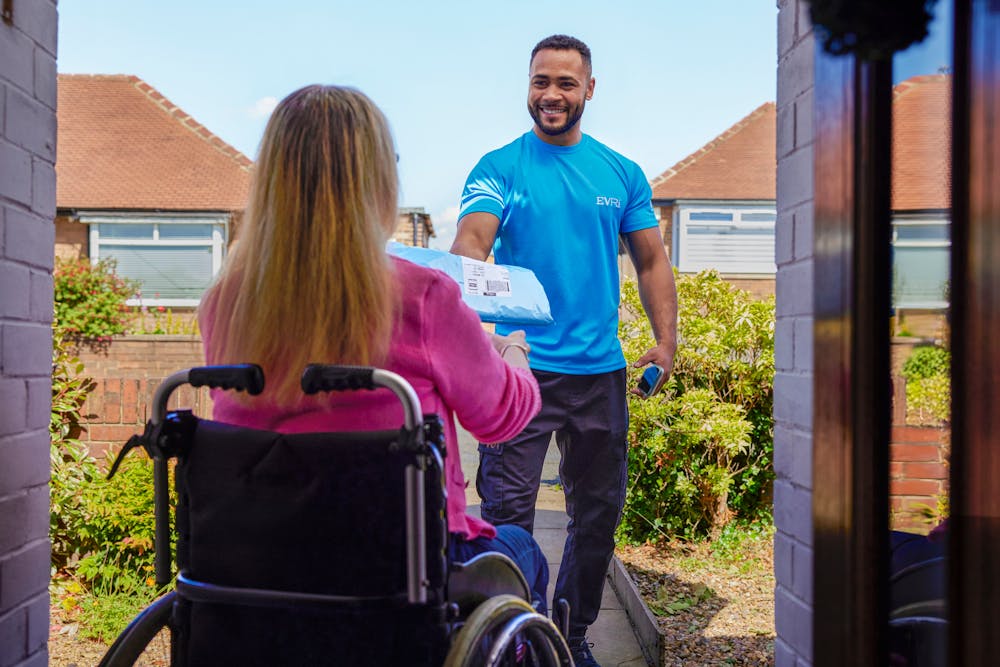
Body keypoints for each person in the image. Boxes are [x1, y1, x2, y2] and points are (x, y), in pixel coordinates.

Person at [197, 84, 549, 613]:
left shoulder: (225, 301)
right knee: (523, 548)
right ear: (377, 180)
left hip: (259, 572)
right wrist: (511, 354)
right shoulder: (422, 296)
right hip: (397, 575)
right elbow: (501, 419)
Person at [450, 34, 678, 666]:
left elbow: (652, 261)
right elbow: (470, 244)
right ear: (528, 85)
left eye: (565, 84)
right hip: (522, 372)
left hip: (600, 372)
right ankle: (510, 639)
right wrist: (490, 334)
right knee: (506, 515)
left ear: (589, 90)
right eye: (540, 82)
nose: (551, 95)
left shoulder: (621, 172)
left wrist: (665, 340)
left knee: (597, 520)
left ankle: (571, 636)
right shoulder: (500, 167)